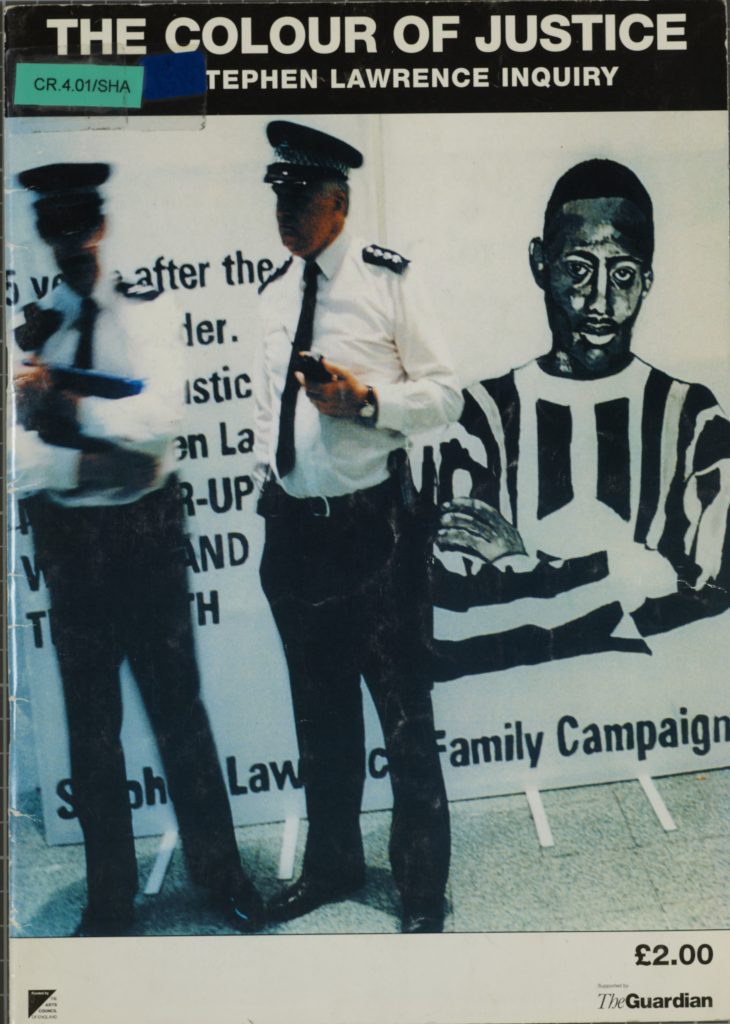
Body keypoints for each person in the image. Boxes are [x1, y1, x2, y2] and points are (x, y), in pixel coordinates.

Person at [12, 162, 264, 936]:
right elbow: (14, 457)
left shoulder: (145, 313)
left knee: (179, 714)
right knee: (93, 733)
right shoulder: (28, 327)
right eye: (56, 231)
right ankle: (110, 901)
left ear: (100, 227)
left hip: (142, 539)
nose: (70, 246)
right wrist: (88, 458)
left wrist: (64, 400)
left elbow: (163, 419)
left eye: (79, 228)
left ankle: (222, 878)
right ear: (46, 236)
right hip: (73, 544)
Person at [255, 122, 463, 933]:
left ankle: (419, 893)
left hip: (376, 535)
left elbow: (446, 394)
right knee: (320, 716)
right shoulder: (276, 289)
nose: (287, 210)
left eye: (301, 196)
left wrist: (368, 404)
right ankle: (334, 866)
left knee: (404, 719)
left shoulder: (388, 283)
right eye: (279, 194)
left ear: (338, 203)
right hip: (296, 536)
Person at [431, 159, 730, 680]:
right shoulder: (479, 419)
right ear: (539, 263)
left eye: (623, 275)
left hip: (649, 714)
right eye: (578, 268)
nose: (599, 301)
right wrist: (629, 569)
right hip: (518, 728)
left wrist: (519, 567)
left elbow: (711, 601)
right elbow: (454, 619)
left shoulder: (694, 420)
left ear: (648, 280)